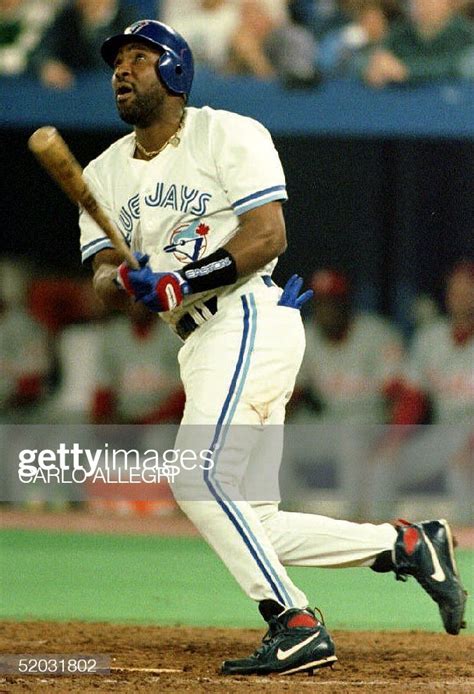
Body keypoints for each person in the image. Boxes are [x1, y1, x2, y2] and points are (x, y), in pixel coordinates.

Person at [81, 19, 466, 676]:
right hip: (197, 339)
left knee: (196, 476)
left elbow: (267, 235)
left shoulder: (229, 132)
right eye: (117, 60)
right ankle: (406, 544)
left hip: (247, 315)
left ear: (175, 72)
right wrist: (124, 281)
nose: (123, 70)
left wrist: (179, 278)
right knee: (253, 517)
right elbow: (99, 282)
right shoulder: (101, 173)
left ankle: (295, 622)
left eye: (140, 58)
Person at [364, 0, 474, 87]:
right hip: (403, 105)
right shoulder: (400, 33)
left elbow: (459, 66)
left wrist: (407, 71)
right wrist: (374, 67)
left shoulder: (464, 34)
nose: (422, 4)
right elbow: (367, 59)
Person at [33, 0, 136, 89]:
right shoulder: (67, 18)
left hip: (109, 98)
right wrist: (48, 65)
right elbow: (42, 50)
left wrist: (95, 23)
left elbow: (107, 65)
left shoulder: (129, 21)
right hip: (73, 97)